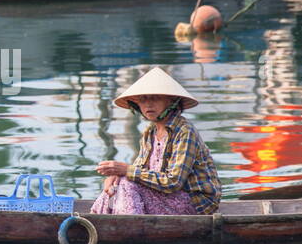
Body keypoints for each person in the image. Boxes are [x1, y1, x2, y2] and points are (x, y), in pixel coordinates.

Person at [91, 67, 221, 216]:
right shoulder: (149, 133)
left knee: (127, 183)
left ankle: (128, 227)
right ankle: (99, 220)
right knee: (120, 183)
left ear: (170, 101)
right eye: (143, 99)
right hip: (168, 197)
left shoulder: (184, 132)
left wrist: (126, 171)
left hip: (197, 203)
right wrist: (116, 176)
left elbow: (173, 182)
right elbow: (139, 170)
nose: (148, 105)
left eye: (155, 98)